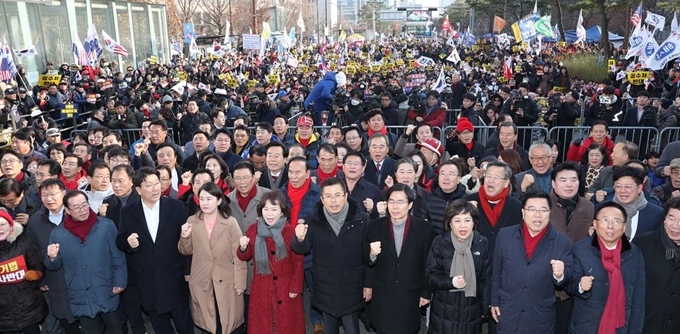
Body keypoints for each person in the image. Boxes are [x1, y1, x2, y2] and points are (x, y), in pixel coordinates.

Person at [116, 167, 194, 334]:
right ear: (138, 189)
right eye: (149, 185)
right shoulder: (128, 211)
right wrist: (128, 242)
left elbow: (186, 240)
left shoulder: (176, 206)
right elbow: (120, 239)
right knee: (160, 326)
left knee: (184, 324)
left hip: (174, 275)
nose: (155, 188)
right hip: (147, 279)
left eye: (157, 183)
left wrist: (187, 270)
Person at [292, 177, 371, 334]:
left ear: (346, 196)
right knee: (329, 329)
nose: (333, 201)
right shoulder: (313, 219)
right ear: (322, 199)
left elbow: (369, 255)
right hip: (325, 285)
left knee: (352, 328)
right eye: (328, 196)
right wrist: (299, 239)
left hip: (352, 284)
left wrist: (368, 284)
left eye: (337, 195)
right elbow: (302, 249)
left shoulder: (361, 219)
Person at [45, 190, 127, 334]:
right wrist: (52, 257)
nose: (82, 210)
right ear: (67, 211)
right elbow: (53, 266)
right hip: (79, 292)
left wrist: (120, 281)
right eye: (76, 208)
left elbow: (118, 256)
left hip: (105, 287)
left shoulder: (106, 226)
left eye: (84, 205)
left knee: (115, 327)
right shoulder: (58, 233)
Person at [491, 192, 573, 333]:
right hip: (508, 309)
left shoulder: (562, 241)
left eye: (543, 210)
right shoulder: (505, 235)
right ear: (523, 212)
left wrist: (560, 275)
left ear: (550, 213)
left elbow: (568, 278)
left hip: (540, 315)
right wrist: (494, 301)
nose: (537, 215)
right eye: (532, 209)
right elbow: (496, 272)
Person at [365, 183, 435, 334]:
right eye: (391, 201)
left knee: (407, 328)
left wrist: (426, 292)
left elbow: (428, 264)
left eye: (400, 202)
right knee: (382, 327)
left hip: (410, 292)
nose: (395, 207)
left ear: (410, 204)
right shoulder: (375, 226)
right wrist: (371, 255)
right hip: (383, 290)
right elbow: (367, 261)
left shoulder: (424, 229)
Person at [565, 201, 645, 333]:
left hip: (621, 327)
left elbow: (638, 298)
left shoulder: (633, 253)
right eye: (605, 220)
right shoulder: (580, 249)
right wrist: (580, 285)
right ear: (595, 224)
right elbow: (569, 284)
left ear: (624, 227)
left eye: (616, 221)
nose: (610, 226)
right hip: (585, 327)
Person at [179, 182, 246, 334]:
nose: (205, 203)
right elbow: (185, 251)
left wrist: (240, 283)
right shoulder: (192, 221)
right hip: (202, 279)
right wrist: (185, 236)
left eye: (209, 199)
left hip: (227, 280)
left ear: (219, 200)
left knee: (228, 323)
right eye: (202, 199)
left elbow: (239, 256)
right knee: (209, 325)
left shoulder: (230, 223)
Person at [236, 190, 305, 334]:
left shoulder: (290, 231)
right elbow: (245, 256)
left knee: (286, 326)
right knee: (264, 325)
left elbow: (298, 262)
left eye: (274, 209)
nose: (269, 213)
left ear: (282, 211)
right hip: (262, 286)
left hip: (286, 288)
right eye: (266, 209)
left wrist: (295, 287)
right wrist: (242, 248)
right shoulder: (253, 229)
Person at [426, 200, 491, 334]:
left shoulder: (482, 243)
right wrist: (451, 282)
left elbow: (487, 278)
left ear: (474, 223)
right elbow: (431, 275)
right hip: (444, 311)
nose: (463, 226)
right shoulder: (440, 242)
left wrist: (485, 308)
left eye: (467, 220)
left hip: (472, 311)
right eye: (457, 221)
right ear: (449, 223)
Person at [25, 179, 81, 334]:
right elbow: (33, 253)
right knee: (63, 318)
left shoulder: (77, 214)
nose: (49, 199)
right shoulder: (35, 221)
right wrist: (40, 278)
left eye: (53, 194)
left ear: (63, 193)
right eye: (44, 195)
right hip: (53, 279)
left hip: (81, 276)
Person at [548, 162, 594, 333]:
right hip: (547, 279)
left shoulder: (588, 207)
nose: (569, 184)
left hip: (576, 279)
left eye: (573, 180)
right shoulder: (543, 205)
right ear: (553, 183)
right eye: (563, 180)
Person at [633, 197, 680, 333]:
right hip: (647, 326)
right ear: (664, 218)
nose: (676, 226)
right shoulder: (642, 244)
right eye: (671, 218)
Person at [0, 210, 48, 334]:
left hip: (29, 306)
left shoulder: (24, 242)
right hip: (4, 314)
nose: (0, 229)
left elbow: (38, 264)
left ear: (10, 224)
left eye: (2, 224)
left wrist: (37, 274)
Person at [464, 161, 523, 251]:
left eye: (497, 177)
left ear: (506, 182)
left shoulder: (516, 207)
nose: (491, 180)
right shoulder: (467, 202)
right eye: (488, 176)